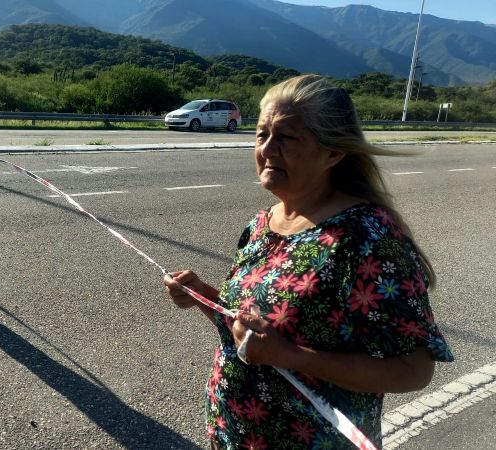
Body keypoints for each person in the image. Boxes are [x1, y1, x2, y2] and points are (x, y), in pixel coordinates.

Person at [163, 74, 453, 450]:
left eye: (286, 137)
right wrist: (205, 296)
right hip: (234, 434)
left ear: (333, 152)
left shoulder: (368, 239)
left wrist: (291, 356)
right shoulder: (262, 224)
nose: (267, 149)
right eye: (261, 134)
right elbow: (253, 325)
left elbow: (413, 370)